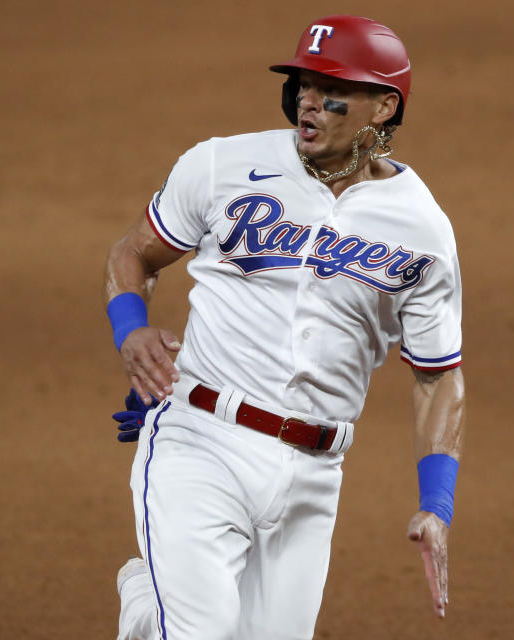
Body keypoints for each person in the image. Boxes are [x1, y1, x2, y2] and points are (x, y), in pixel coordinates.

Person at [103, 15, 465, 640]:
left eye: (333, 92)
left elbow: (438, 378)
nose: (308, 103)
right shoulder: (221, 165)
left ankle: (147, 611)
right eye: (302, 85)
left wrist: (437, 506)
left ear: (384, 107)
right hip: (202, 440)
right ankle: (153, 607)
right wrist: (132, 330)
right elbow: (132, 254)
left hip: (313, 475)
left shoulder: (422, 229)